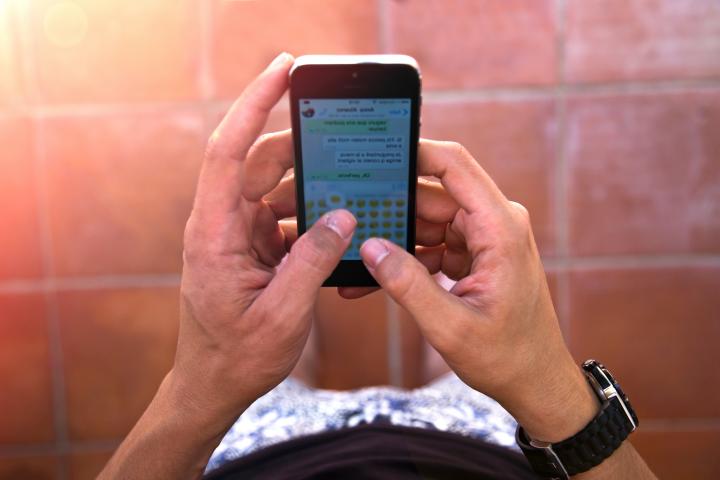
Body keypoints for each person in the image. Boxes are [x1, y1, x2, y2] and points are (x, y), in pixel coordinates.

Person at [98, 53, 657, 479]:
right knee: (458, 356)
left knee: (281, 359)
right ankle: (428, 291)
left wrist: (202, 388)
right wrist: (543, 383)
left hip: (272, 446)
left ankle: (300, 294)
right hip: (474, 442)